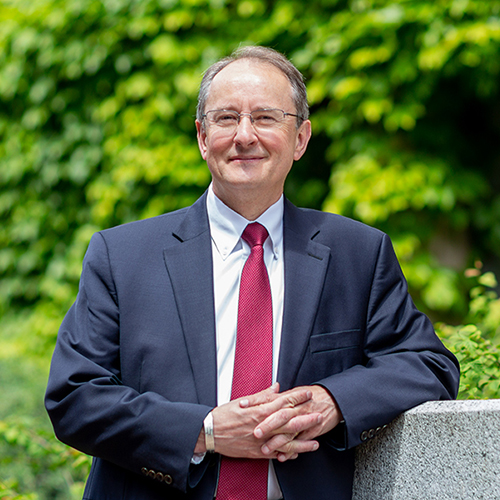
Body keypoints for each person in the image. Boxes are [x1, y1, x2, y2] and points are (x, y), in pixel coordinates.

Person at [45, 46, 460, 500]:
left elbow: (427, 363)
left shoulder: (358, 252)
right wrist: (205, 431)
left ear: (300, 138)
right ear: (203, 137)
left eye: (265, 117)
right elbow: (75, 395)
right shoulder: (121, 255)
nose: (245, 136)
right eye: (226, 119)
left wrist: (332, 402)